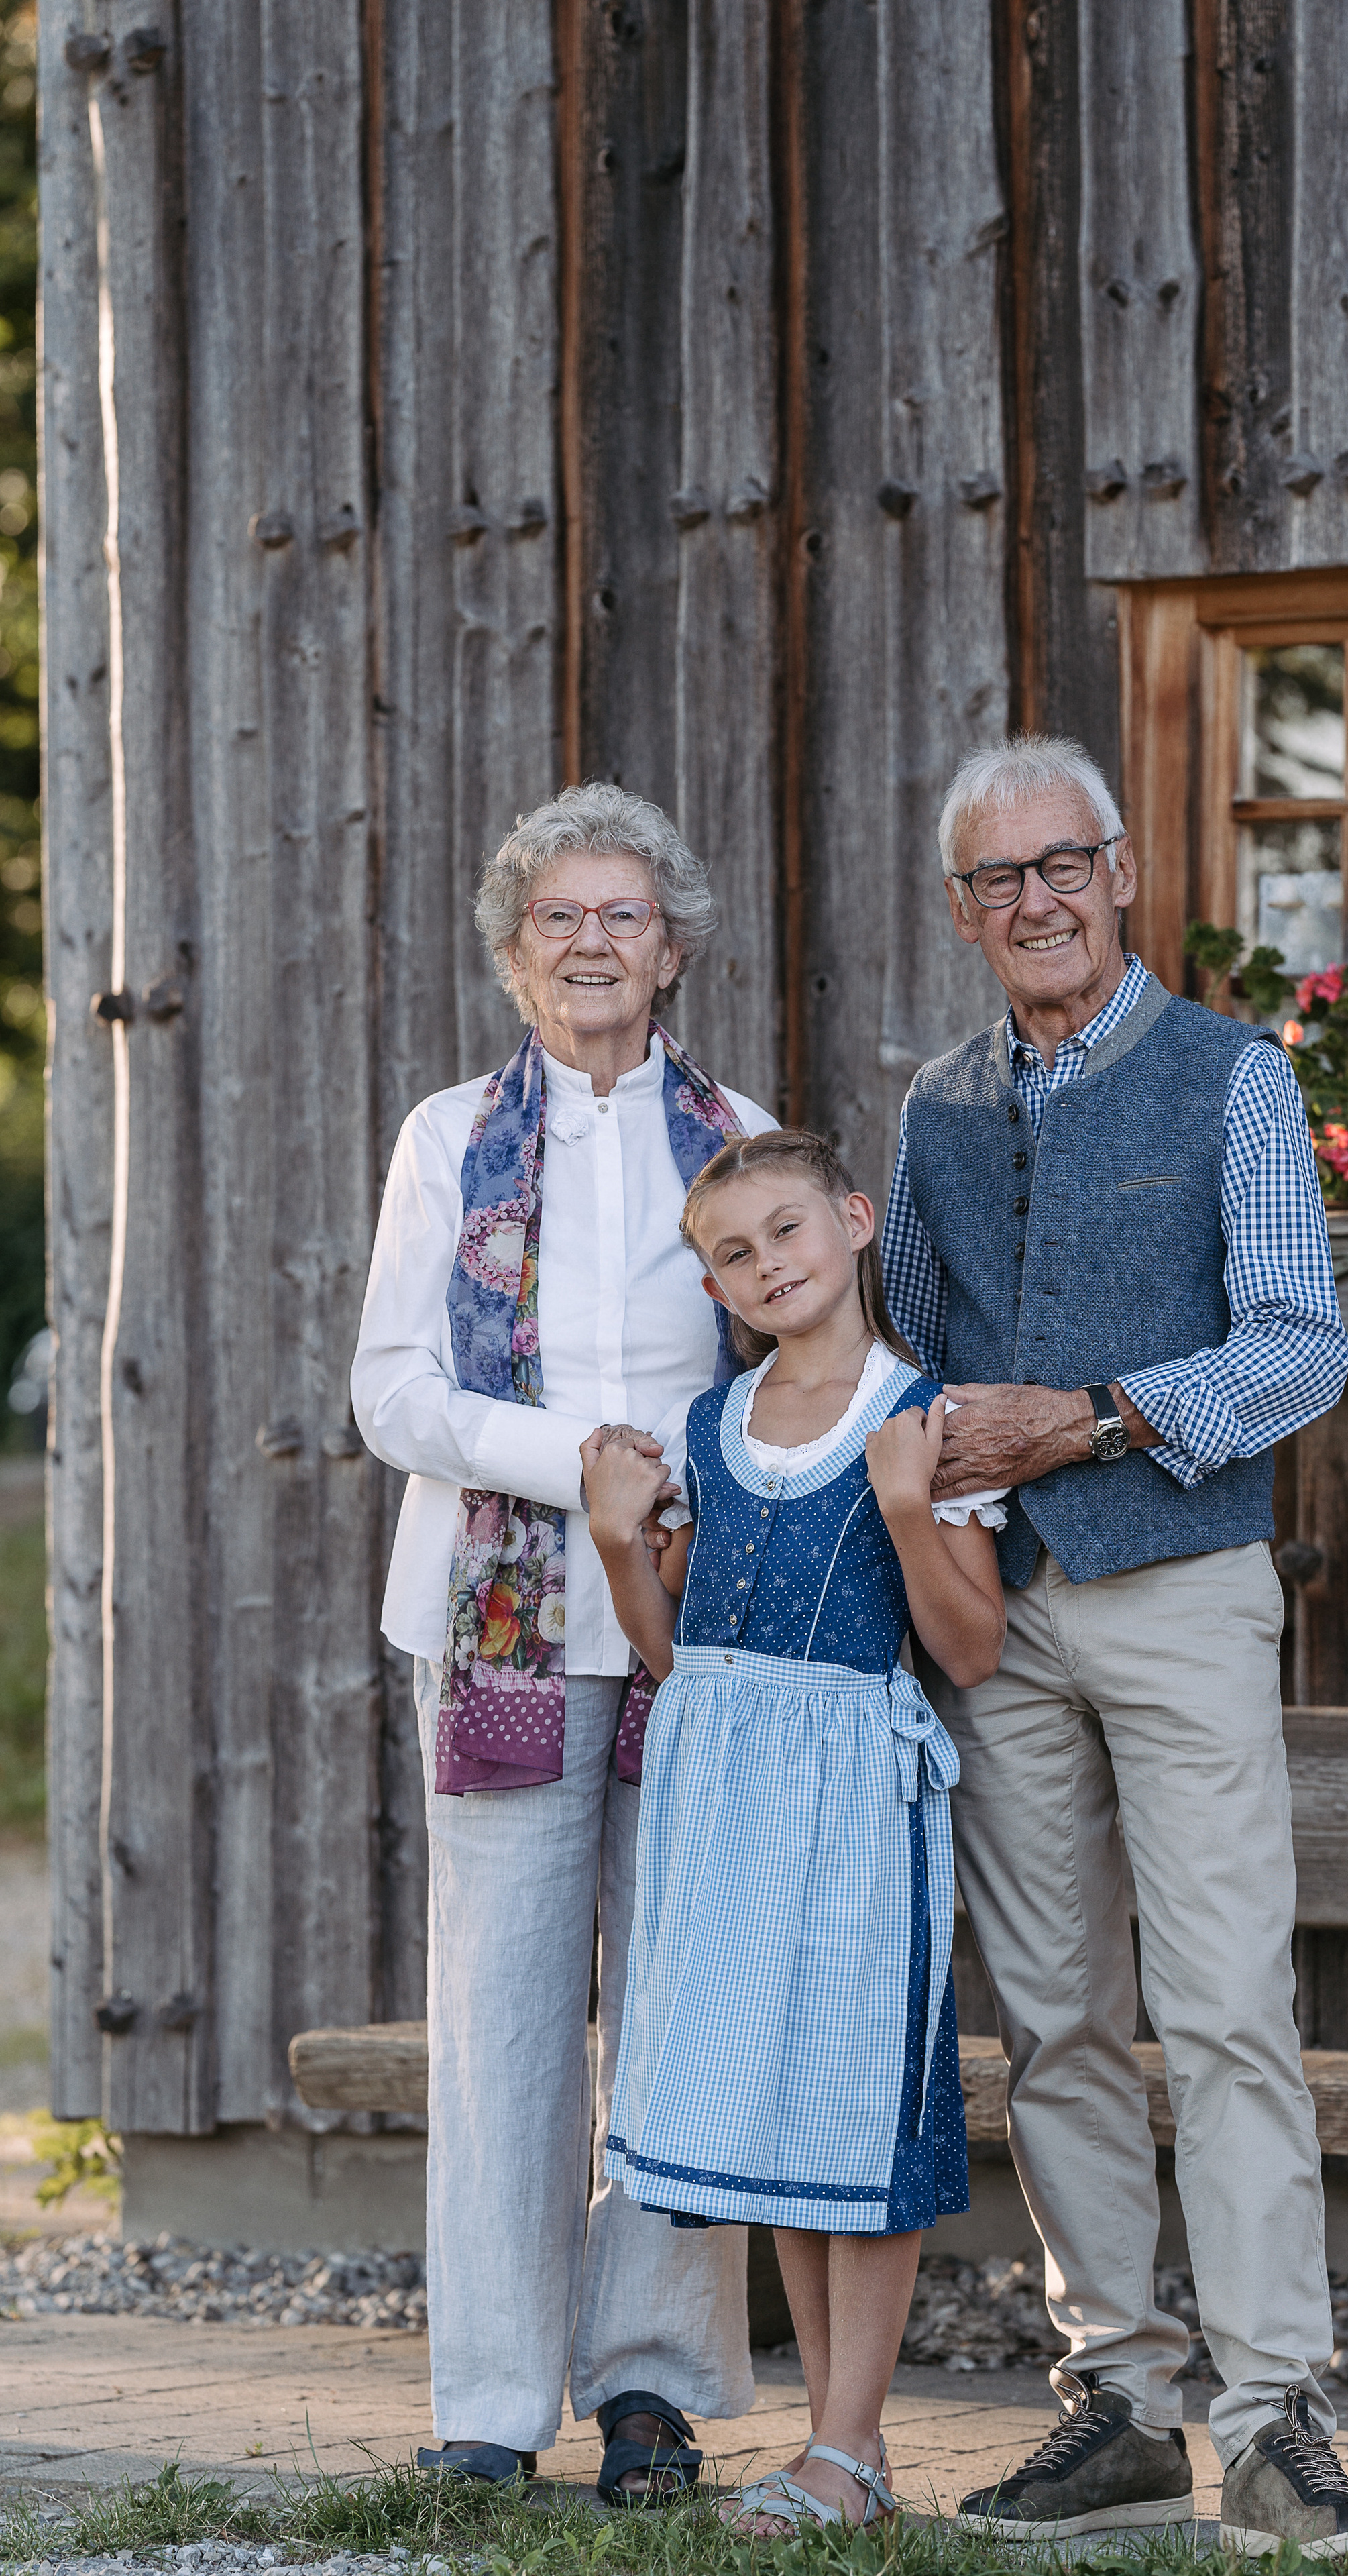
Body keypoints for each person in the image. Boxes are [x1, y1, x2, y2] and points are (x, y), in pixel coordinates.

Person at [880, 734, 1348, 2556]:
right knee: (1054, 2024)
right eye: (996, 881)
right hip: (1002, 1617)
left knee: (1228, 2010)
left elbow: (1297, 1348)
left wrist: (1093, 1420)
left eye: (1061, 867)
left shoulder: (1230, 1079)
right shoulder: (933, 1108)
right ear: (964, 912)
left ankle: (1275, 2416)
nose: (1034, 903)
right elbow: (915, 1361)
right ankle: (1117, 2397)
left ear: (1119, 873)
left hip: (1180, 1588)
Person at [351, 784, 776, 2498]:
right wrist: (571, 1468)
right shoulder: (450, 1136)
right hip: (499, 1616)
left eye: (623, 917)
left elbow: (785, 1365)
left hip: (693, 1623)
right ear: (515, 954)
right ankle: (490, 2398)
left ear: (670, 946)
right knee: (506, 2017)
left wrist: (679, 1496)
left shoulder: (742, 1135)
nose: (593, 945)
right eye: (558, 920)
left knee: (670, 2009)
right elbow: (392, 1391)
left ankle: (657, 2388)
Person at [580, 1128, 1007, 2538]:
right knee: (776, 2108)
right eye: (732, 1254)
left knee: (855, 2114)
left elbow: (972, 1644)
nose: (767, 1265)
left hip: (849, 1801)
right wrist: (615, 1544)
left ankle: (849, 2442)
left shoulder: (923, 1415)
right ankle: (839, 2453)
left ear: (854, 1219)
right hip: (722, 1800)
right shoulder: (713, 1425)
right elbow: (674, 1654)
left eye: (785, 1231)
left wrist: (901, 1502)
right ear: (712, 1287)